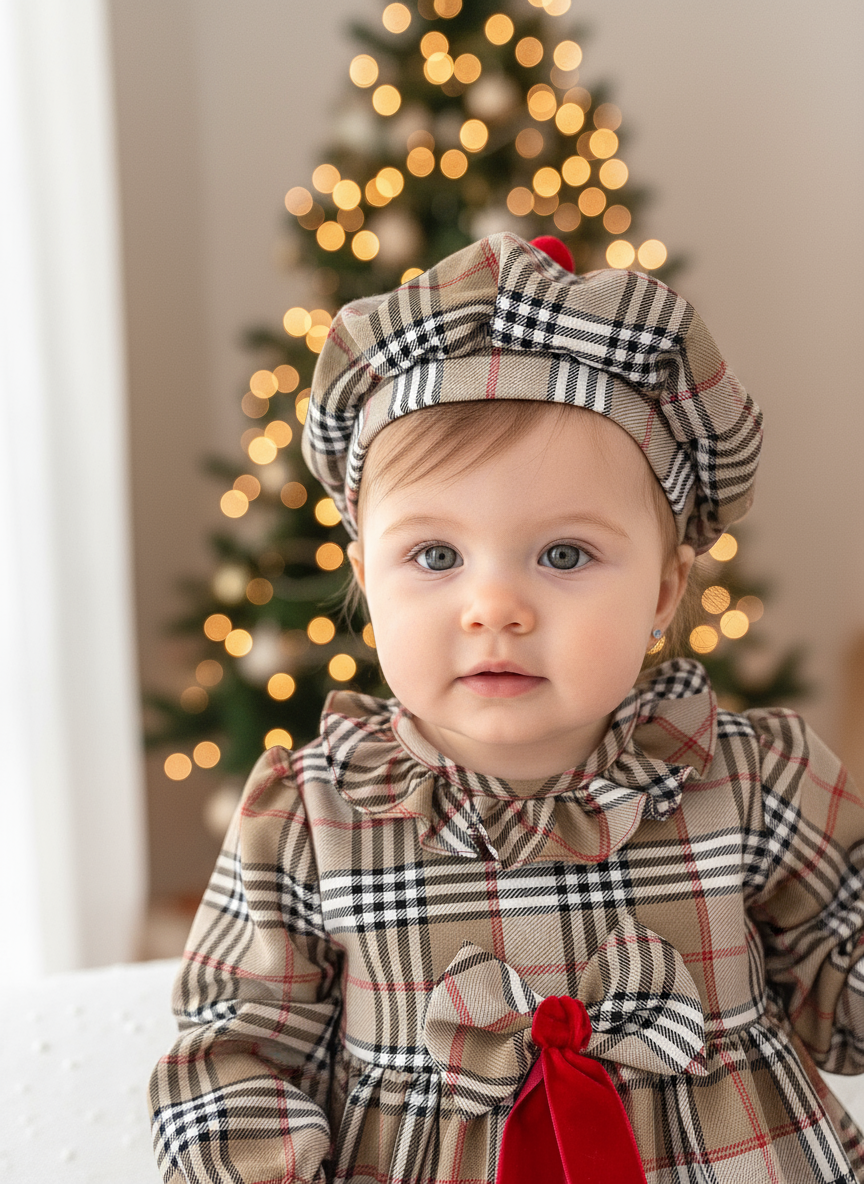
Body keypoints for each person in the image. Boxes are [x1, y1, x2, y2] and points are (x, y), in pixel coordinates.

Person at [149, 233, 864, 1184]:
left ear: (663, 589)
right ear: (366, 579)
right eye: (436, 557)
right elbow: (234, 1049)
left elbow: (841, 991)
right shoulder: (312, 813)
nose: (495, 608)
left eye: (564, 555)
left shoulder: (753, 779)